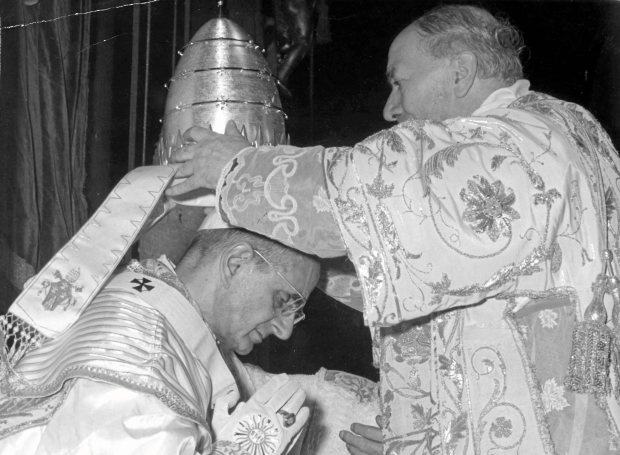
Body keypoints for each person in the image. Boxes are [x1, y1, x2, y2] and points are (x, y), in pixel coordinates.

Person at [166, 4, 620, 454]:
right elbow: (445, 271)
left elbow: (376, 190)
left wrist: (238, 168)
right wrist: (439, 439)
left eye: (400, 82)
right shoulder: (572, 128)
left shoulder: (508, 143)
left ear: (460, 72)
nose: (390, 108)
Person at [0, 224, 319, 454]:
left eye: (297, 312)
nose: (286, 330)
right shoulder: (151, 370)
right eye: (285, 302)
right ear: (236, 263)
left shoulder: (125, 296)